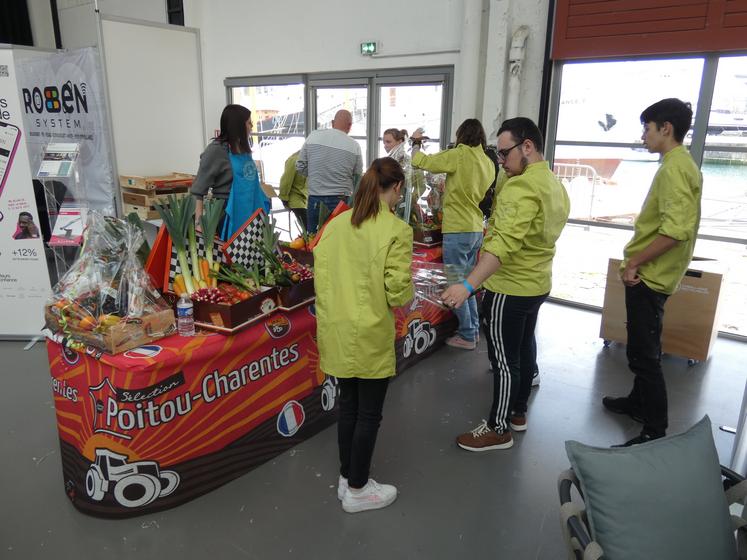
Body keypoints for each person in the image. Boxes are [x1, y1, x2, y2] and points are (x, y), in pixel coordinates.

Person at [441, 117, 569, 452]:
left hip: (509, 288)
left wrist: (467, 286)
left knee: (502, 359)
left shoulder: (522, 186)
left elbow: (503, 245)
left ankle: (498, 429)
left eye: (504, 153)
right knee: (524, 347)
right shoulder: (553, 183)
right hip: (537, 283)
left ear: (527, 146)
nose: (501, 161)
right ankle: (518, 413)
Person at [313, 157, 413, 513]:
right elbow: (398, 292)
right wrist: (413, 292)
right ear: (397, 187)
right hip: (369, 332)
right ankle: (357, 489)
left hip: (336, 330)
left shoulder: (337, 224)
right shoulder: (396, 230)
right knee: (369, 414)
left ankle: (346, 476)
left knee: (349, 408)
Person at [603, 98, 702, 447]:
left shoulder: (675, 168)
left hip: (651, 276)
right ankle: (637, 403)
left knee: (644, 355)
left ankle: (654, 429)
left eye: (647, 128)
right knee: (643, 342)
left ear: (666, 129)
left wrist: (635, 262)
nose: (643, 135)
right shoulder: (680, 164)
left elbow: (675, 232)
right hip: (657, 274)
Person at [411, 119, 494, 350]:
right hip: (476, 228)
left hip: (457, 229)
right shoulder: (487, 161)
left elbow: (420, 162)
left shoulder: (460, 154)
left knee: (455, 285)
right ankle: (473, 331)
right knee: (468, 284)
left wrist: (415, 142)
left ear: (461, 135)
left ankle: (467, 336)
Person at [190, 104, 270, 240]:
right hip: (227, 213)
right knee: (232, 258)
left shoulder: (242, 148)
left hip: (251, 213)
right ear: (238, 126)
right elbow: (198, 191)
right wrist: (199, 223)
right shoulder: (216, 150)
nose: (251, 127)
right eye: (249, 123)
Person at [296, 109, 363, 233]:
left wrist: (315, 176)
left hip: (315, 198)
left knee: (314, 239)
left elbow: (300, 166)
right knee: (338, 239)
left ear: (332, 122)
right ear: (350, 126)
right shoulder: (354, 146)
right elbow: (357, 178)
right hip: (341, 200)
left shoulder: (313, 136)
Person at [278, 150, 308, 230]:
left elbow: (286, 181)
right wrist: (284, 198)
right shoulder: (295, 160)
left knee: (308, 229)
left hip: (303, 201)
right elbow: (286, 181)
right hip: (296, 200)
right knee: (308, 229)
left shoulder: (305, 160)